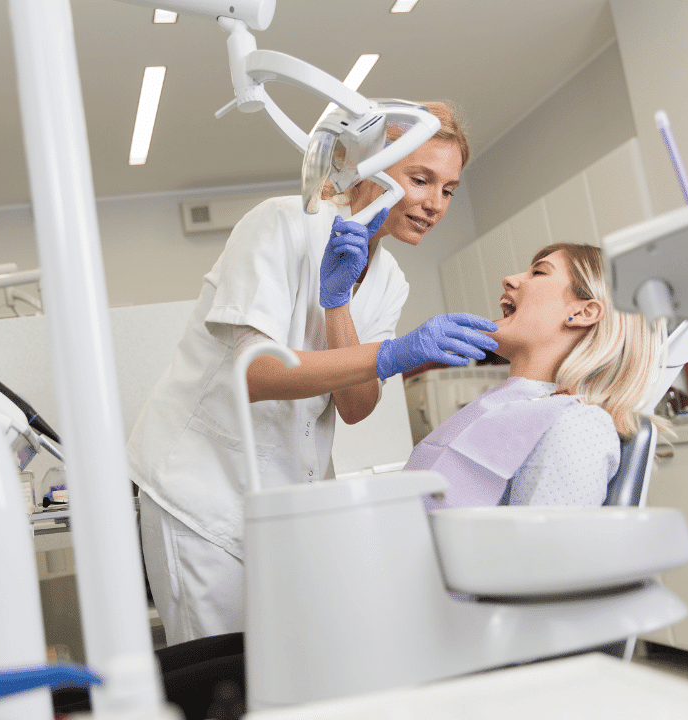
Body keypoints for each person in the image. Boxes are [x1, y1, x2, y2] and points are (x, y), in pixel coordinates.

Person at [128, 101, 498, 645]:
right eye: (421, 179)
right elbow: (257, 376)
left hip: (286, 499)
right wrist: (392, 354)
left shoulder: (391, 277)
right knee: (220, 677)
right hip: (201, 489)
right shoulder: (281, 223)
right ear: (372, 166)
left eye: (448, 190)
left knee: (288, 668)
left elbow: (354, 406)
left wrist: (337, 303)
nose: (434, 204)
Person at [404, 243, 666, 509]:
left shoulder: (575, 424)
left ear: (582, 312)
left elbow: (546, 547)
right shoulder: (508, 404)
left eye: (539, 273)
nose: (509, 279)